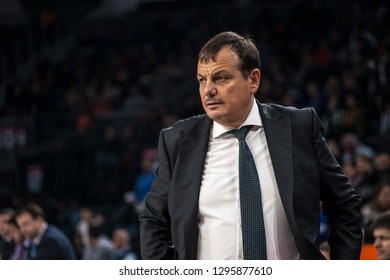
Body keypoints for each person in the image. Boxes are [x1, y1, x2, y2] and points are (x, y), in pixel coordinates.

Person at [139, 31, 362, 260]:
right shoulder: (177, 140)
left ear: (253, 80)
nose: (208, 90)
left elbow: (344, 204)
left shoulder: (298, 127)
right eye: (202, 80)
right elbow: (153, 219)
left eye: (221, 78)